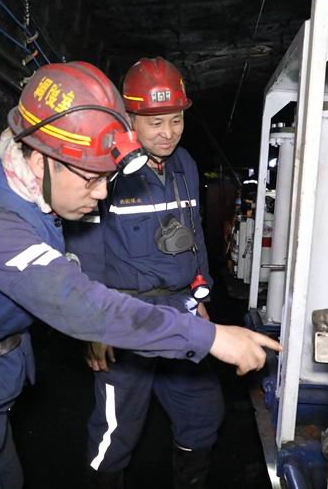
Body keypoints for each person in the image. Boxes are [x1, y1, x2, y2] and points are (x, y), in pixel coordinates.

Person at [0, 61, 281, 489]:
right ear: (43, 161)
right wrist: (211, 338)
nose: (101, 193)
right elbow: (80, 305)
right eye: (92, 178)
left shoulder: (13, 171)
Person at [68, 58, 223, 489]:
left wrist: (202, 293)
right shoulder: (107, 171)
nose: (168, 132)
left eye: (176, 120)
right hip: (124, 315)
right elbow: (85, 250)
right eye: (155, 122)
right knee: (116, 429)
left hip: (181, 309)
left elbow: (194, 235)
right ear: (129, 119)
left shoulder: (185, 164)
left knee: (202, 412)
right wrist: (93, 326)